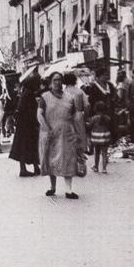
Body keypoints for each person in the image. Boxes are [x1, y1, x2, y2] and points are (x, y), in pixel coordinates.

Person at [38, 71, 84, 199]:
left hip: (66, 134)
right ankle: (52, 187)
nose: (57, 82)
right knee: (51, 160)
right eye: (55, 80)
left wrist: (79, 133)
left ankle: (69, 190)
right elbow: (39, 114)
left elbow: (76, 115)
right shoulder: (45, 97)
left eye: (59, 80)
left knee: (68, 160)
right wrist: (46, 129)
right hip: (50, 133)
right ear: (50, 82)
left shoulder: (69, 97)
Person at [8, 64, 42, 177]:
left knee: (28, 146)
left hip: (26, 125)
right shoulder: (28, 94)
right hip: (26, 126)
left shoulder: (27, 93)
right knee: (26, 146)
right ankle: (25, 169)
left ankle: (35, 167)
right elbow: (25, 110)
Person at [62, 71, 88, 154]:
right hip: (78, 115)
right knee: (80, 136)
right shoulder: (79, 91)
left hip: (66, 117)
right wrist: (85, 117)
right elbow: (87, 105)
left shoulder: (62, 92)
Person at [89, 101, 112, 173]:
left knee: (97, 153)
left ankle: (96, 167)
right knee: (104, 153)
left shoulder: (94, 118)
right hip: (105, 138)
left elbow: (90, 126)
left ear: (96, 109)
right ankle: (104, 169)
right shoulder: (107, 118)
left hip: (96, 139)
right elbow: (110, 127)